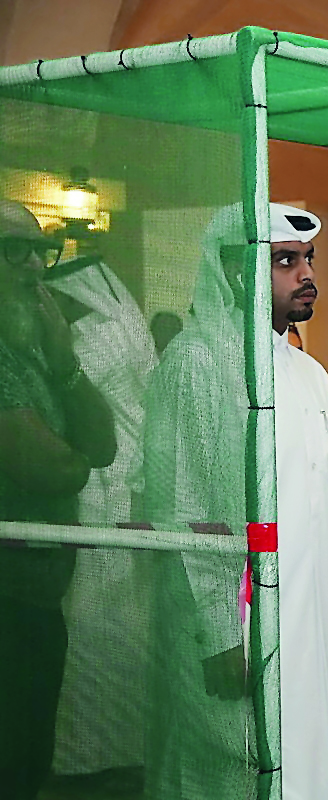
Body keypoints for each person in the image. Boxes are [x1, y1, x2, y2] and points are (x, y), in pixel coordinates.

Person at [143, 203, 328, 800]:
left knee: (313, 763)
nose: (305, 274)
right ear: (232, 272)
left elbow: (327, 504)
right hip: (242, 626)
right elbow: (184, 505)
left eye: (307, 259)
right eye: (284, 262)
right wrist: (219, 630)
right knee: (232, 772)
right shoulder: (199, 361)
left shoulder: (309, 373)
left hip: (310, 620)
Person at [0, 200, 116, 800]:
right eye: (10, 251)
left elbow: (102, 446)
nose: (31, 269)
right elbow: (57, 470)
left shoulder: (32, 354)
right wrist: (70, 455)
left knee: (26, 770)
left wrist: (64, 359)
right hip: (6, 605)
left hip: (35, 606)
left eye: (37, 252)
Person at [43, 254, 157, 782]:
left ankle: (97, 759)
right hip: (106, 496)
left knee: (101, 627)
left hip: (108, 494)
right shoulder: (123, 330)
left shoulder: (100, 338)